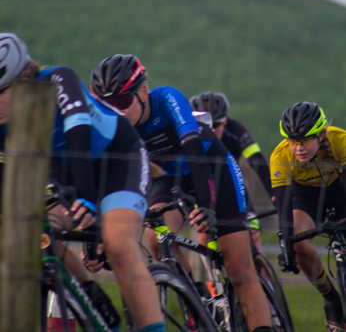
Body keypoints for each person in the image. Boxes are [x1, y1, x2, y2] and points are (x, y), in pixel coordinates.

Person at [91, 53, 275, 332]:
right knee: (156, 235)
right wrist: (97, 235)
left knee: (240, 272)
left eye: (122, 102)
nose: (115, 111)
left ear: (142, 92)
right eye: (107, 105)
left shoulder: (167, 99)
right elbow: (105, 176)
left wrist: (208, 206)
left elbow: (194, 151)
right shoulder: (118, 125)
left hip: (213, 169)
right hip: (171, 177)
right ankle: (199, 299)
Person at [0, 33, 165, 332]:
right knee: (37, 238)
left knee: (117, 246)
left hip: (116, 159)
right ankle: (93, 299)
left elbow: (78, 132)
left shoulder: (57, 79)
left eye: (0, 92)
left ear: (21, 80)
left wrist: (86, 197)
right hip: (64, 174)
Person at [270, 101, 346, 332]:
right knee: (298, 240)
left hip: (339, 189)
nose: (298, 147)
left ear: (321, 135)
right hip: (307, 196)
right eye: (293, 141)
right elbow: (283, 208)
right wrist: (287, 246)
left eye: (305, 140)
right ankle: (330, 298)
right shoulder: (280, 156)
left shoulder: (340, 140)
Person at [190, 91, 274, 248]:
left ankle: (261, 268)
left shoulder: (235, 130)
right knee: (205, 234)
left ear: (225, 120)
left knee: (253, 233)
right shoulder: (191, 135)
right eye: (206, 126)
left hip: (234, 186)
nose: (211, 131)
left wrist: (275, 195)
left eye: (216, 125)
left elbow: (258, 162)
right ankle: (211, 272)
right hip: (204, 189)